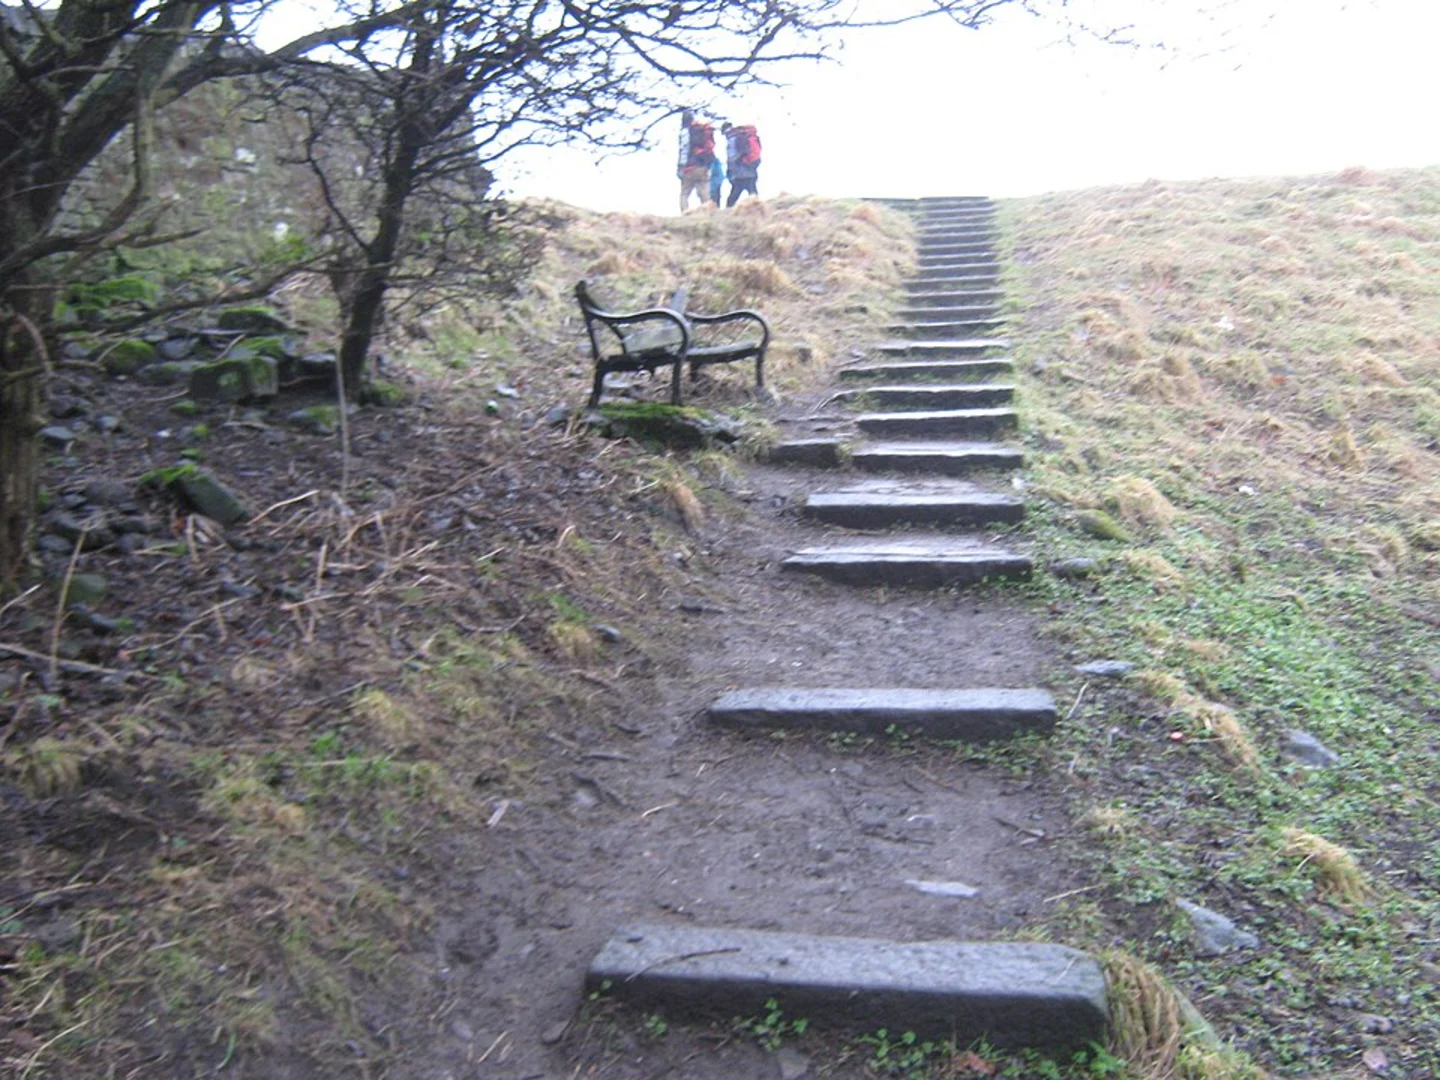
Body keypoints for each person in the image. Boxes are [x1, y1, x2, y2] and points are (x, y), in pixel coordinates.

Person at [677, 110, 716, 213]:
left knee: (684, 193)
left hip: (690, 167)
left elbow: (684, 150)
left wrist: (680, 167)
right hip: (703, 166)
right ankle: (708, 213)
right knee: (704, 191)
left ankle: (685, 213)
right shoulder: (700, 131)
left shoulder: (686, 132)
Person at [722, 121, 761, 207]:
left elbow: (733, 158)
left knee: (734, 195)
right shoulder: (743, 136)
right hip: (751, 168)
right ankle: (759, 209)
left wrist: (730, 171)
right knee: (753, 193)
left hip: (741, 173)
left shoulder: (732, 139)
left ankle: (728, 211)